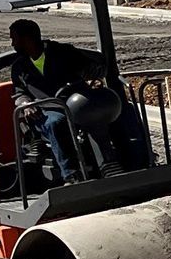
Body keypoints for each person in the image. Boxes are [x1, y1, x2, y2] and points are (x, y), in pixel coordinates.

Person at [7, 18, 125, 170]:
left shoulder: (64, 52)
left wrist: (93, 71)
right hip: (47, 109)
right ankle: (71, 174)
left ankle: (120, 163)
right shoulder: (19, 67)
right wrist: (25, 104)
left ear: (27, 38)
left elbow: (91, 67)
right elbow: (19, 93)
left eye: (14, 39)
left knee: (103, 111)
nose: (13, 44)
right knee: (55, 123)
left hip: (79, 101)